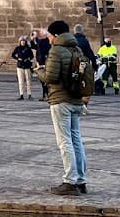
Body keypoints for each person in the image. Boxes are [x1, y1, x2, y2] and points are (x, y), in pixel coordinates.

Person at [37, 19, 88, 196]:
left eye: (50, 35)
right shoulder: (77, 48)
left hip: (61, 100)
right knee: (76, 140)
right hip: (76, 100)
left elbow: (51, 77)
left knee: (64, 141)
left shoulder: (57, 51)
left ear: (56, 35)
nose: (49, 38)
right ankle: (81, 180)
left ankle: (69, 181)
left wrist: (39, 71)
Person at [32, 28, 51, 99]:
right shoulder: (40, 41)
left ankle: (47, 95)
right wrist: (33, 39)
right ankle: (44, 95)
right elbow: (33, 46)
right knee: (42, 80)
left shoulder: (46, 41)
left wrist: (35, 37)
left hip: (44, 63)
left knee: (45, 80)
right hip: (39, 62)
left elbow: (41, 46)